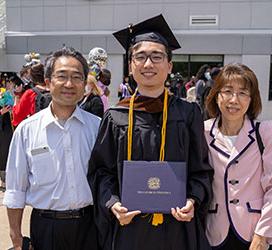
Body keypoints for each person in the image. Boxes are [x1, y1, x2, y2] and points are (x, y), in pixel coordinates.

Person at [88, 14, 213, 250]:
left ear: (169, 66)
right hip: (129, 227)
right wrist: (112, 204)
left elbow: (202, 170)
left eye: (157, 56)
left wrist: (193, 199)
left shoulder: (188, 114)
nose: (148, 64)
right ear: (131, 65)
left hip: (178, 227)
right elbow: (101, 172)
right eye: (141, 57)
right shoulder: (116, 117)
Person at [3, 47, 101, 250]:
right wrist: (16, 237)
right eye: (62, 76)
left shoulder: (98, 127)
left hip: (91, 226)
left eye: (76, 77)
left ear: (84, 85)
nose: (69, 84)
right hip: (46, 227)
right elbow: (15, 188)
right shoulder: (27, 130)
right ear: (48, 82)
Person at [204, 63, 272, 250]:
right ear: (217, 96)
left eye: (242, 93)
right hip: (215, 230)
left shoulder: (265, 131)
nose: (234, 100)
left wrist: (263, 234)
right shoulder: (203, 131)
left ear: (251, 99)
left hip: (255, 230)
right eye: (227, 91)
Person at [12, 63, 49, 127]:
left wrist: (17, 95)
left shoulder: (30, 93)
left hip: (38, 130)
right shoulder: (57, 90)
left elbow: (16, 117)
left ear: (32, 78)